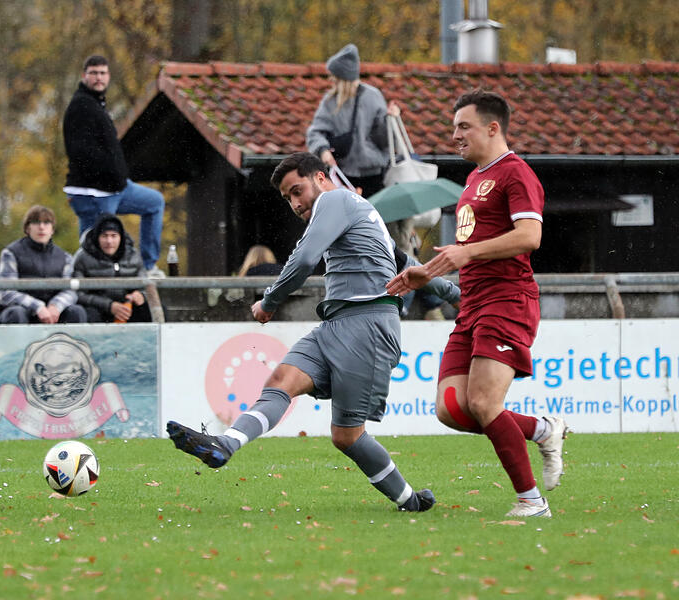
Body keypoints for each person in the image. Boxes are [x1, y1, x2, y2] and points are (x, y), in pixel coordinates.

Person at [168, 152, 443, 513]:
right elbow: (411, 266)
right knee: (280, 381)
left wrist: (269, 301)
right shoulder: (357, 214)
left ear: (321, 178)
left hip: (368, 326)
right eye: (288, 198)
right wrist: (456, 292)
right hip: (336, 324)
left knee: (347, 436)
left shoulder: (335, 200)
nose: (295, 204)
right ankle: (225, 444)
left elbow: (303, 260)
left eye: (297, 191)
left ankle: (410, 501)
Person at [387, 89, 568, 518]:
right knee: (451, 409)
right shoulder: (473, 179)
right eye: (454, 127)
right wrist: (425, 274)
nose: (455, 135)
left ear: (493, 128)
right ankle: (542, 429)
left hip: (507, 300)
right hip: (472, 305)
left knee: (485, 403)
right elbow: (464, 253)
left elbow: (530, 237)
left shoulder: (516, 173)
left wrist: (466, 253)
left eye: (463, 127)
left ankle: (531, 502)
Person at [63, 54, 166, 278]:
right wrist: (106, 175)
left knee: (154, 202)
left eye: (102, 73)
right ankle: (84, 281)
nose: (98, 78)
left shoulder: (97, 104)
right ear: (84, 76)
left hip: (117, 187)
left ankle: (147, 266)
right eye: (94, 73)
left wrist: (118, 175)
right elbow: (78, 151)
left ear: (108, 76)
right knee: (96, 244)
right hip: (93, 191)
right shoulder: (80, 105)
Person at [306, 43, 399, 199]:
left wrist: (390, 120)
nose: (331, 80)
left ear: (341, 78)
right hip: (343, 173)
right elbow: (315, 132)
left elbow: (384, 141)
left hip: (374, 174)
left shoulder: (372, 97)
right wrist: (323, 150)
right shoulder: (330, 101)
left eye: (334, 77)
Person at [0, 205, 87, 324]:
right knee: (17, 313)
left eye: (46, 223)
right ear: (27, 228)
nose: (41, 227)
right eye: (36, 222)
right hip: (20, 312)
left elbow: (70, 291)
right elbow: (6, 293)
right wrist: (37, 307)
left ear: (52, 229)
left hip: (53, 313)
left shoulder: (65, 257)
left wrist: (56, 306)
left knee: (77, 311)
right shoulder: (10, 253)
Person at [71, 213, 152, 323]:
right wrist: (109, 306)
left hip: (128, 307)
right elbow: (79, 294)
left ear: (121, 237)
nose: (109, 241)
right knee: (88, 312)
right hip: (98, 309)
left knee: (156, 309)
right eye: (104, 236)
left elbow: (146, 285)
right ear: (97, 238)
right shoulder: (83, 258)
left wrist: (140, 295)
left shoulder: (134, 256)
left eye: (114, 236)